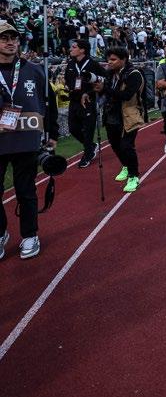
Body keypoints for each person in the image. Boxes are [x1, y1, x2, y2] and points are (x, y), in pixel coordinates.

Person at [0, 20, 59, 260]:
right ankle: (1, 233)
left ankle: (29, 235)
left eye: (14, 37)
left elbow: (50, 102)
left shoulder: (34, 70)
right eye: (4, 38)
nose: (11, 42)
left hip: (26, 140)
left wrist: (53, 133)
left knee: (26, 191)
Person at [93, 47, 144, 193]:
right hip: (111, 114)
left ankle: (134, 176)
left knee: (127, 146)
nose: (109, 62)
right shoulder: (110, 74)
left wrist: (105, 89)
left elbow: (126, 95)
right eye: (108, 59)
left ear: (124, 60)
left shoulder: (134, 74)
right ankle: (126, 166)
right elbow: (106, 91)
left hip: (129, 114)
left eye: (113, 59)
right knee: (115, 144)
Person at [64, 38, 107, 168]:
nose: (71, 49)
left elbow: (105, 79)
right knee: (73, 128)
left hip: (88, 100)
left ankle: (87, 154)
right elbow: (67, 79)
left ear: (82, 50)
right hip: (74, 100)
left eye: (74, 47)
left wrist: (91, 92)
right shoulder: (71, 64)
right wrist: (68, 87)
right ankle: (91, 146)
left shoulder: (93, 64)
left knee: (88, 129)